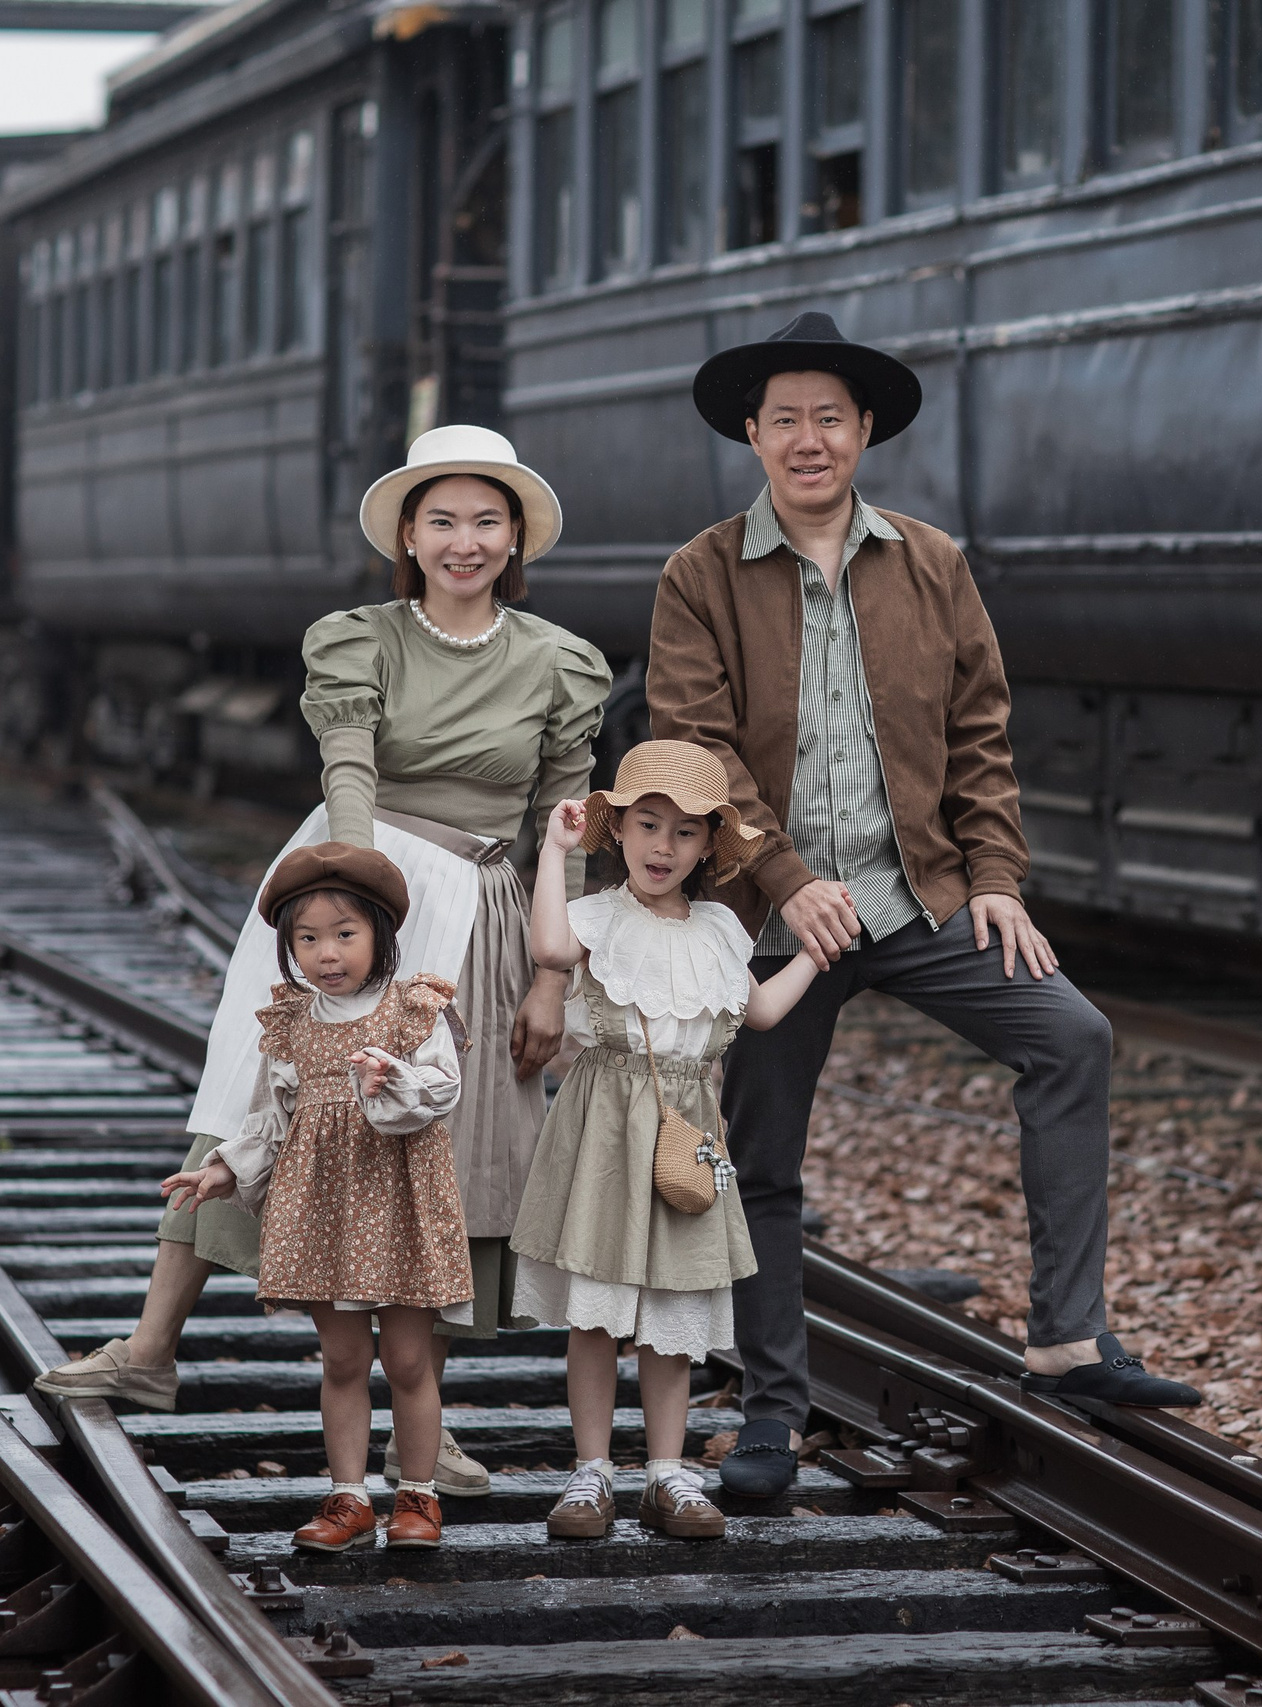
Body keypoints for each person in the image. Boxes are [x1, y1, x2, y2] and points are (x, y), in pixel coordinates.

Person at [647, 311, 1201, 1499]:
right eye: (785, 419)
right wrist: (787, 883)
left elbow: (978, 738)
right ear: (752, 434)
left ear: (864, 436)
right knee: (760, 1155)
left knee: (1071, 1038)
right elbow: (694, 750)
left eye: (830, 420)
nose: (809, 439)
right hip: (767, 917)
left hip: (918, 897)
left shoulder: (932, 563)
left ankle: (1064, 1339)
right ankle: (770, 1415)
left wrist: (995, 882)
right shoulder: (700, 573)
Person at [37, 426, 611, 1498]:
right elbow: (349, 766)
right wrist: (346, 908)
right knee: (261, 1090)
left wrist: (552, 973)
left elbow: (560, 829)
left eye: (487, 520)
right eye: (441, 519)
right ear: (407, 532)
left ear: (516, 536)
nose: (464, 541)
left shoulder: (559, 663)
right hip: (354, 889)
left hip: (484, 904)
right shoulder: (361, 640)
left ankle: (421, 1433)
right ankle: (151, 1346)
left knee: (439, 1145)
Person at [507, 741, 822, 1541]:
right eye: (648, 825)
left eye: (685, 833)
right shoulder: (601, 916)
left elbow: (760, 1012)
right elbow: (548, 949)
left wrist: (820, 955)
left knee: (674, 1308)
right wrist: (553, 850)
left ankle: (666, 1472)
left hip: (685, 1135)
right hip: (608, 1127)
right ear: (620, 832)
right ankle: (592, 1471)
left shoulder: (719, 926)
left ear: (709, 848)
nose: (662, 846)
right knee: (598, 1309)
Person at [163, 842, 471, 1551]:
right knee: (340, 1360)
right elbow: (270, 1116)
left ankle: (418, 1497)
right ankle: (349, 1497)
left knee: (409, 1359)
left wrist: (388, 1077)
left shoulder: (412, 1007)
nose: (326, 953)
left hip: (399, 1204)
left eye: (344, 934)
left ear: (380, 935)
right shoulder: (293, 1022)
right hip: (325, 1210)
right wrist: (225, 1169)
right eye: (307, 938)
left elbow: (441, 1089)